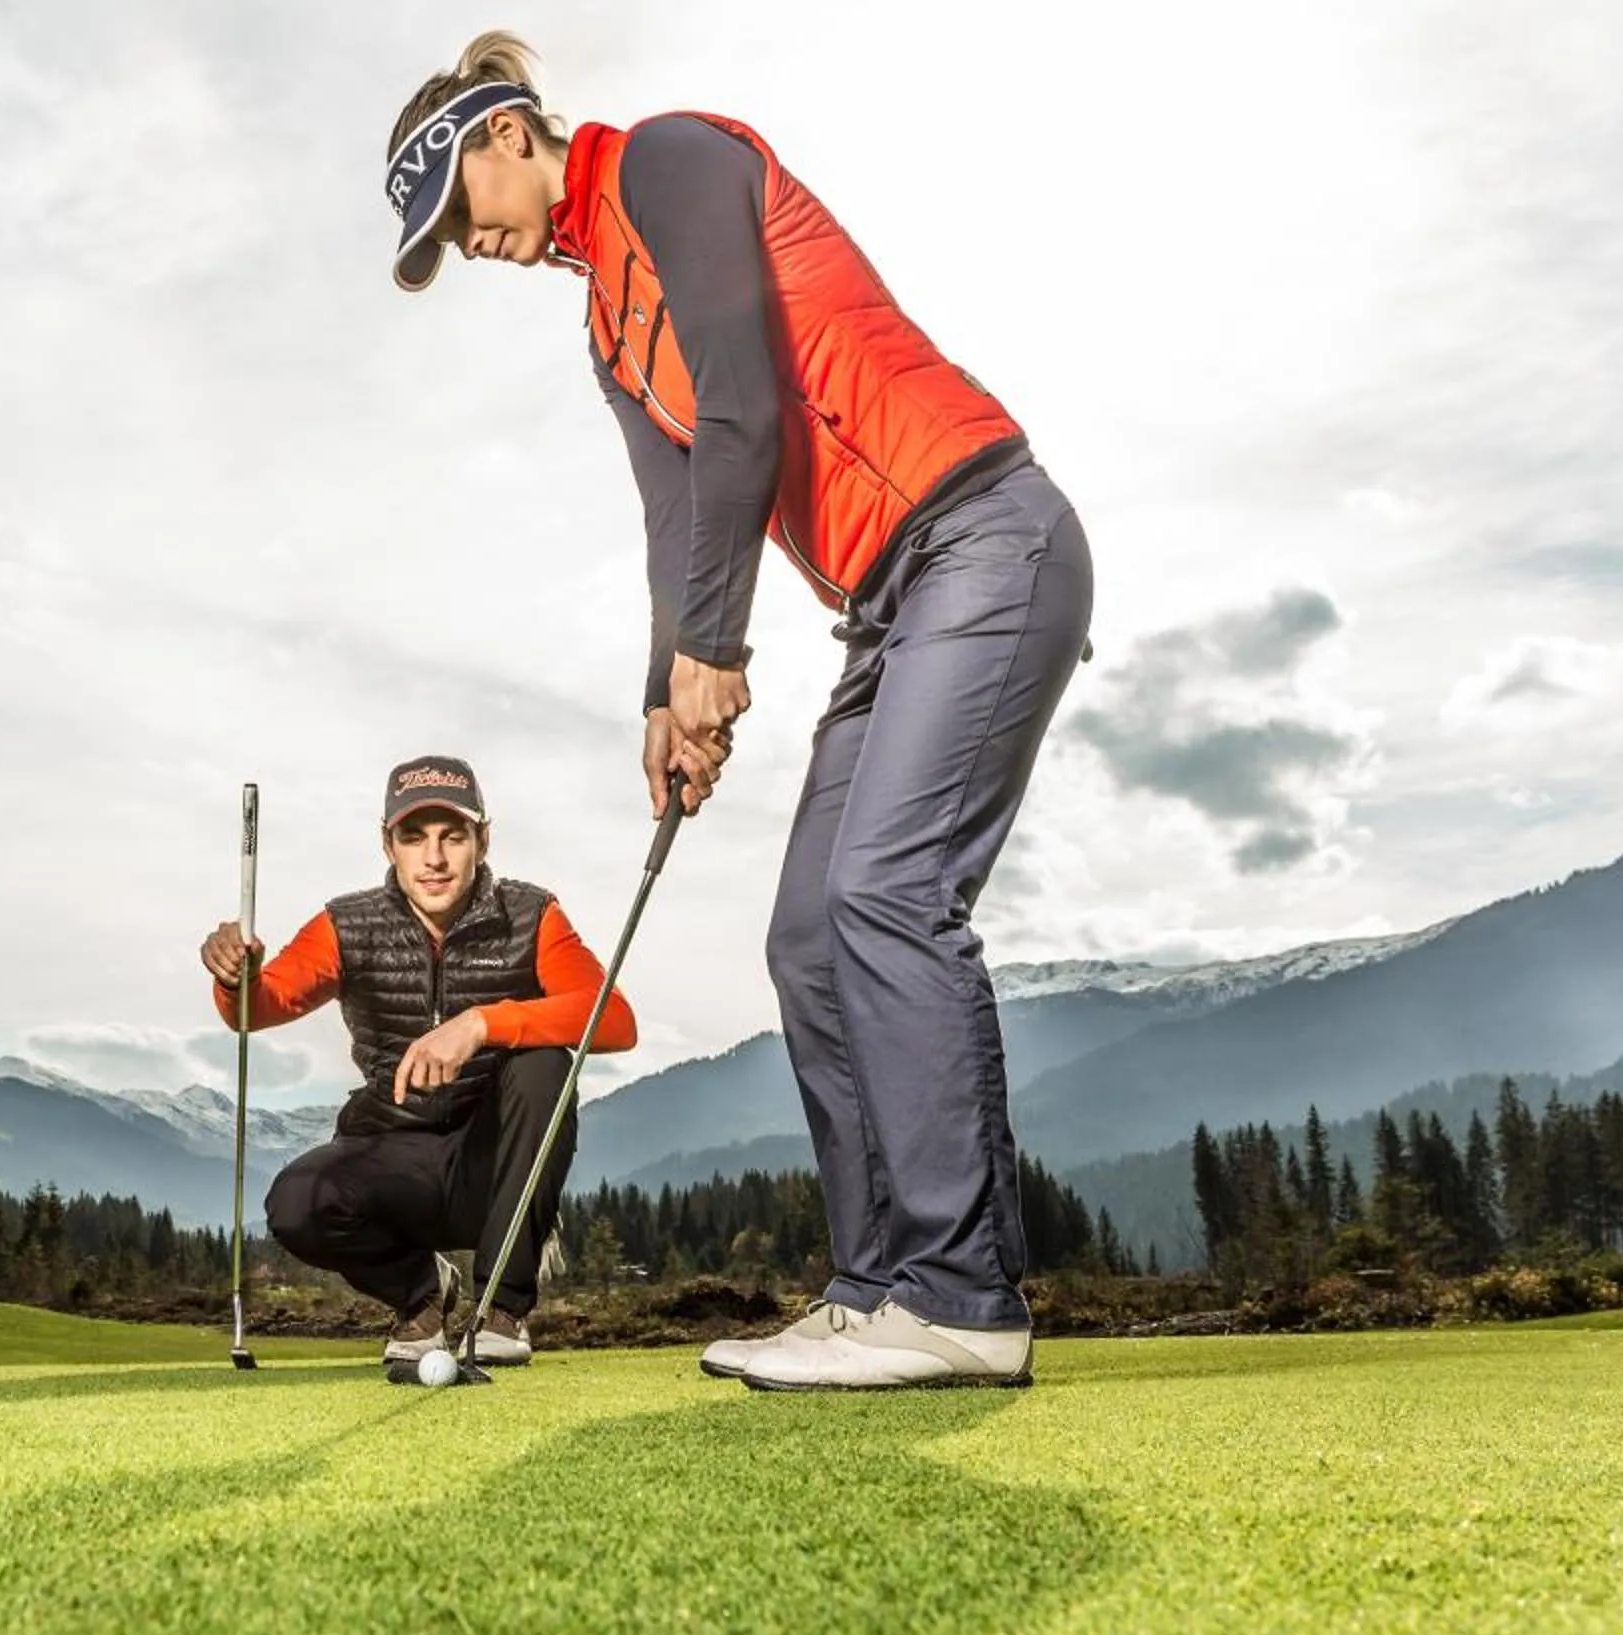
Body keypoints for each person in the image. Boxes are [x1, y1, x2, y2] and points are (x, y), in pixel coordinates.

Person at [382, 34, 1095, 1391]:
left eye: (458, 214)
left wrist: (720, 648)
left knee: (887, 894)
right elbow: (678, 520)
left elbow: (749, 404)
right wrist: (668, 694)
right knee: (808, 937)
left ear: (504, 139)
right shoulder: (604, 325)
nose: (466, 245)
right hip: (890, 602)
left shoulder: (670, 160)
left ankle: (964, 1296)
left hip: (986, 534)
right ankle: (880, 1286)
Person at [201, 755, 637, 1368]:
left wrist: (483, 1023)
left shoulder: (533, 915)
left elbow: (614, 1019)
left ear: (482, 840)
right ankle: (422, 1297)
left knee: (545, 1065)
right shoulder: (348, 924)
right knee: (298, 1202)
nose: (433, 858)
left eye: (452, 836)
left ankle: (500, 1311)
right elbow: (257, 1008)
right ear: (389, 844)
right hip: (393, 1155)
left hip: (493, 1168)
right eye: (414, 837)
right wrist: (233, 976)